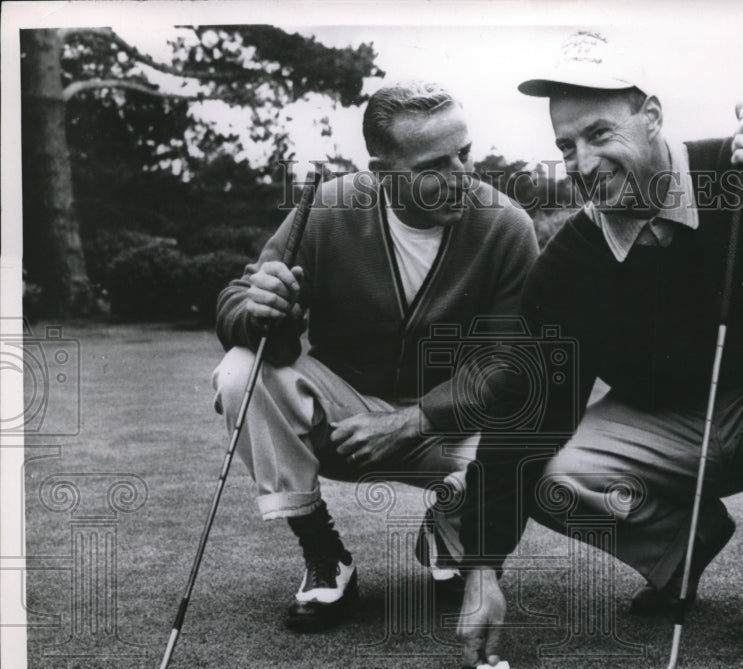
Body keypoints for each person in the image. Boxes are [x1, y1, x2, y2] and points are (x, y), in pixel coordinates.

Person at [456, 31, 743, 668]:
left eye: (600, 134)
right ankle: (684, 548)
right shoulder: (567, 263)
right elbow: (528, 411)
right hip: (663, 427)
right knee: (548, 473)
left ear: (652, 117)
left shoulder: (742, 176)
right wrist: (484, 569)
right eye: (566, 146)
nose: (583, 162)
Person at [213, 81, 538, 632]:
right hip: (347, 416)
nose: (463, 176)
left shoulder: (506, 226)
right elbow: (238, 300)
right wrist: (261, 308)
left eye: (466, 153)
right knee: (240, 371)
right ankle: (324, 554)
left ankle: (451, 526)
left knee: (529, 432)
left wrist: (409, 422)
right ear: (383, 173)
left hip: (448, 425)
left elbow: (509, 364)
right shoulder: (328, 208)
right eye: (437, 164)